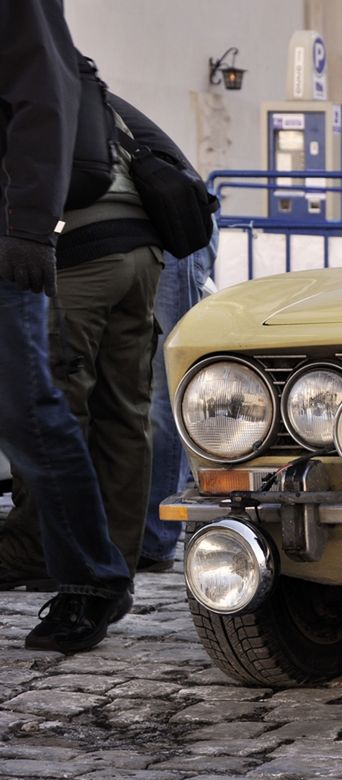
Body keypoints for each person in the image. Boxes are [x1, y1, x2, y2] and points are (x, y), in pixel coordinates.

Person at [0, 0, 132, 652]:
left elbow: (45, 98)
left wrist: (28, 226)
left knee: (27, 408)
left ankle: (92, 577)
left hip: (4, 237)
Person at [1, 85, 164, 585]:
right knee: (125, 413)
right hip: (142, 245)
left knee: (51, 407)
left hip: (76, 250)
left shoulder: (26, 80)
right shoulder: (86, 85)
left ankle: (32, 549)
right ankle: (118, 556)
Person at [104, 94, 219, 571]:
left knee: (166, 383)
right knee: (137, 387)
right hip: (132, 235)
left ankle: (155, 537)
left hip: (173, 229)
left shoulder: (64, 93)